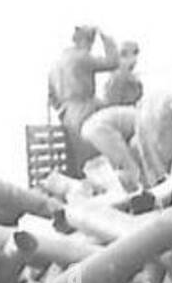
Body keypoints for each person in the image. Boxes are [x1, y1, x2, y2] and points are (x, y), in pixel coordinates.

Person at [49, 25, 119, 175]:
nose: (91, 48)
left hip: (66, 115)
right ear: (85, 41)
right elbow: (113, 62)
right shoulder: (81, 57)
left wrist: (63, 110)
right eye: (91, 43)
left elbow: (52, 97)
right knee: (94, 154)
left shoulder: (56, 63)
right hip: (84, 110)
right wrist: (107, 38)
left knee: (79, 156)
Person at [102, 40, 143, 107]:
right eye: (134, 53)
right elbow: (112, 106)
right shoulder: (117, 78)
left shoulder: (134, 79)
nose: (136, 59)